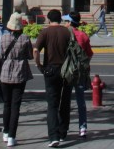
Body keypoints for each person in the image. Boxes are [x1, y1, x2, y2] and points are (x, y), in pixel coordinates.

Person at [33, 8, 72, 148]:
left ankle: (53, 136)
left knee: (52, 104)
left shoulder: (45, 32)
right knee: (65, 101)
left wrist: (38, 64)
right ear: (60, 19)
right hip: (66, 70)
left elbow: (35, 50)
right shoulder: (67, 32)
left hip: (50, 70)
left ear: (49, 19)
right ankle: (63, 132)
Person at [0, 13, 33, 148]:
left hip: (5, 72)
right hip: (20, 73)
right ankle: (12, 137)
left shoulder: (3, 38)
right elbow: (30, 55)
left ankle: (5, 132)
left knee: (6, 104)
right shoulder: (25, 38)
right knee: (15, 105)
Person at [62, 11, 93, 140]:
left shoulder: (64, 35)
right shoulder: (83, 35)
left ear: (70, 22)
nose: (64, 23)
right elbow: (89, 54)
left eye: (66, 21)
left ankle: (64, 127)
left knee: (65, 100)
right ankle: (82, 127)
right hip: (79, 71)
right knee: (81, 100)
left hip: (67, 71)